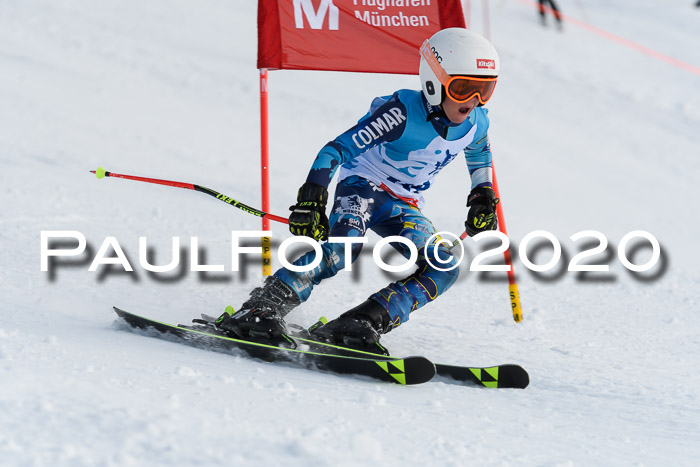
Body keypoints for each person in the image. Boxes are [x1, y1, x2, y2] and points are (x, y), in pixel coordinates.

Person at [216, 28, 501, 353]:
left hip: (404, 204)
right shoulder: (401, 114)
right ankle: (262, 308)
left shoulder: (477, 122)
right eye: (464, 89)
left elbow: (479, 152)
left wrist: (483, 196)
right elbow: (334, 151)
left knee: (444, 266)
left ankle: (361, 321)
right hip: (363, 187)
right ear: (435, 82)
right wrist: (312, 199)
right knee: (343, 248)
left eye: (485, 90)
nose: (474, 101)